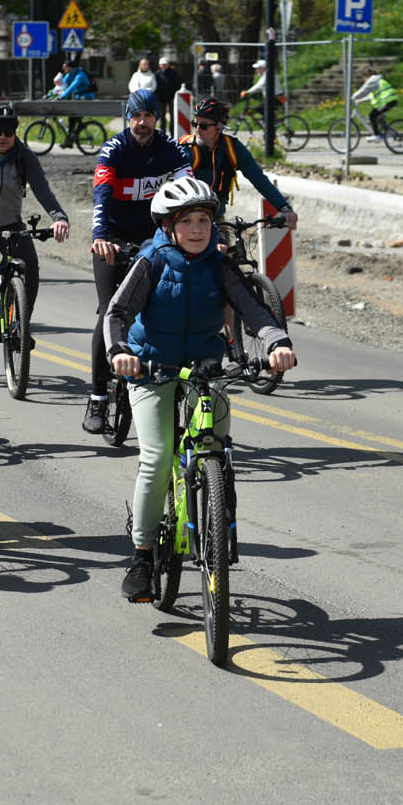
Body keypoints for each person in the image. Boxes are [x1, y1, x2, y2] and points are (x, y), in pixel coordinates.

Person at [103, 176, 296, 601]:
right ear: (169, 226)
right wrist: (120, 352)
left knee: (218, 447)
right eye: (186, 220)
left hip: (205, 366)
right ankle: (141, 554)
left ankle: (219, 516)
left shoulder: (218, 264)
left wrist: (277, 341)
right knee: (156, 457)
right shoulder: (152, 260)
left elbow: (253, 309)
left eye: (203, 220)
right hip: (151, 366)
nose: (196, 229)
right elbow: (116, 313)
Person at [83, 88, 192, 435]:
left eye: (148, 116)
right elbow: (101, 192)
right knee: (108, 313)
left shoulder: (171, 147)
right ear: (128, 117)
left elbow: (188, 189)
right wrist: (100, 236)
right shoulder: (114, 148)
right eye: (136, 116)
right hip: (112, 241)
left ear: (157, 119)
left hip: (154, 241)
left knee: (169, 307)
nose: (142, 123)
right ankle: (98, 397)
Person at [0, 102, 69, 317]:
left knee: (30, 267)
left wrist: (59, 218)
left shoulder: (24, 156)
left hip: (10, 223)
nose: (2, 137)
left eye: (8, 132)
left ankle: (21, 325)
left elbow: (42, 189)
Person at [180, 97, 297, 233]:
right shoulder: (185, 148)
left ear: (219, 127)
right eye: (195, 124)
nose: (197, 130)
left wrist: (284, 208)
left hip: (216, 218)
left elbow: (258, 179)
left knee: (225, 251)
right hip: (185, 219)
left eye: (204, 125)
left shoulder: (232, 148)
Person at [350, 66, 399, 140]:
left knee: (372, 115)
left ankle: (377, 135)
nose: (364, 80)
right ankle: (389, 133)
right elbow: (371, 96)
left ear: (366, 76)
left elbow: (363, 90)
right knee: (378, 118)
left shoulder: (372, 80)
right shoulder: (377, 80)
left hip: (387, 101)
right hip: (389, 101)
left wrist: (353, 97)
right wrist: (361, 100)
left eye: (363, 78)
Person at [154, 57, 183, 135]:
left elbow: (177, 84)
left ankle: (172, 133)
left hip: (172, 98)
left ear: (168, 65)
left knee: (172, 117)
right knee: (162, 117)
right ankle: (163, 133)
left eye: (164, 64)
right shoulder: (157, 74)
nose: (163, 66)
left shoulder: (173, 73)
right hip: (161, 98)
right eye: (161, 64)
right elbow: (155, 86)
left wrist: (175, 96)